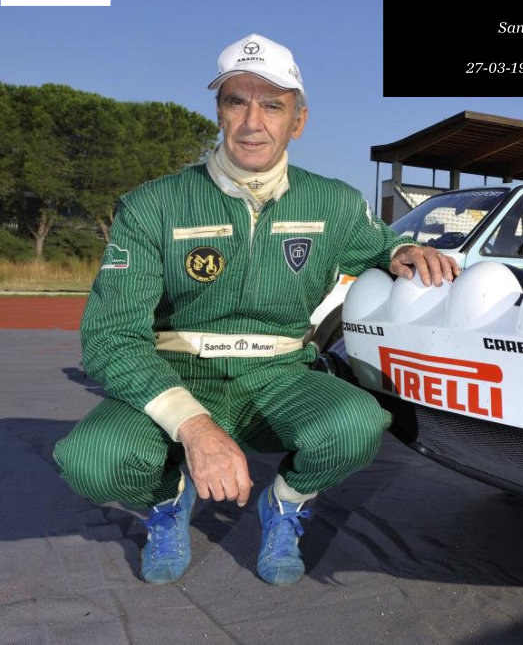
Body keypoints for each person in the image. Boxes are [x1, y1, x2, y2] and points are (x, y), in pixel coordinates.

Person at [54, 33, 459, 586]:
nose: (252, 122)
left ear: (298, 121)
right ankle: (168, 499)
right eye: (236, 101)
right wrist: (194, 426)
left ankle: (285, 503)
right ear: (218, 111)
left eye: (272, 105)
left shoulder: (334, 202)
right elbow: (110, 338)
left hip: (278, 376)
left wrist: (402, 251)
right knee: (91, 461)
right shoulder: (153, 204)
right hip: (175, 371)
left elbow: (380, 245)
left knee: (357, 425)